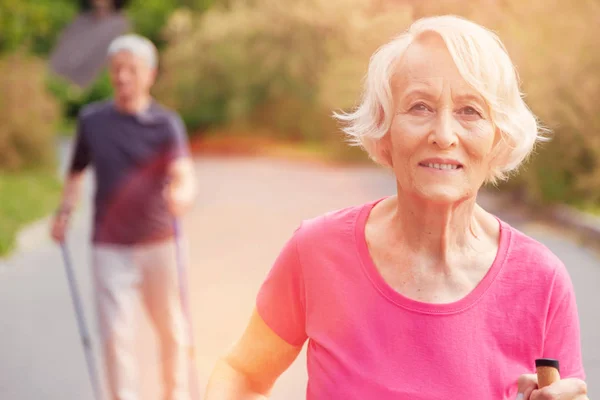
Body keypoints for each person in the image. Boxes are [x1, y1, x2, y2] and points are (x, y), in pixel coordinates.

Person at [204, 15, 589, 400]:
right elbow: (242, 374)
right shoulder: (317, 251)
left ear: (499, 137)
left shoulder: (542, 281)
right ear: (384, 129)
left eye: (470, 111)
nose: (443, 135)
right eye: (420, 107)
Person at [51, 34, 197, 400]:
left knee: (172, 331)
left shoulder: (166, 124)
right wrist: (64, 213)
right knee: (115, 336)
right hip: (109, 245)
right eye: (117, 69)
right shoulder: (92, 121)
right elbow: (75, 173)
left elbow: (184, 173)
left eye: (132, 69)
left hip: (159, 241)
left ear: (150, 73)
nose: (123, 77)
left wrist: (182, 194)